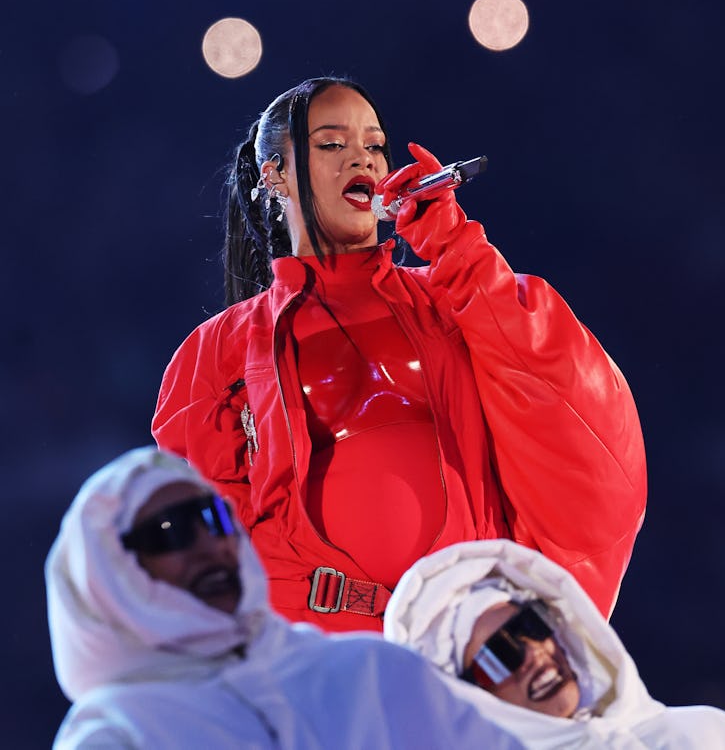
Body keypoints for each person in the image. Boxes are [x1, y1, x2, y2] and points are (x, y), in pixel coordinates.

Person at [152, 75, 647, 632]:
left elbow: (559, 387)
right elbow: (203, 537)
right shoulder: (217, 349)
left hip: (466, 633)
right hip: (315, 646)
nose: (361, 160)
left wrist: (454, 243)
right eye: (332, 144)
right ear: (276, 175)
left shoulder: (450, 295)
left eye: (375, 146)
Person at [45, 447, 526, 749]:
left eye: (213, 517)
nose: (209, 544)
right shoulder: (119, 734)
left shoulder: (373, 673)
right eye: (169, 533)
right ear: (108, 575)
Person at [383, 539, 725, 749]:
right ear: (467, 696)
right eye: (501, 655)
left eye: (531, 626)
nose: (534, 653)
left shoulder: (708, 734)